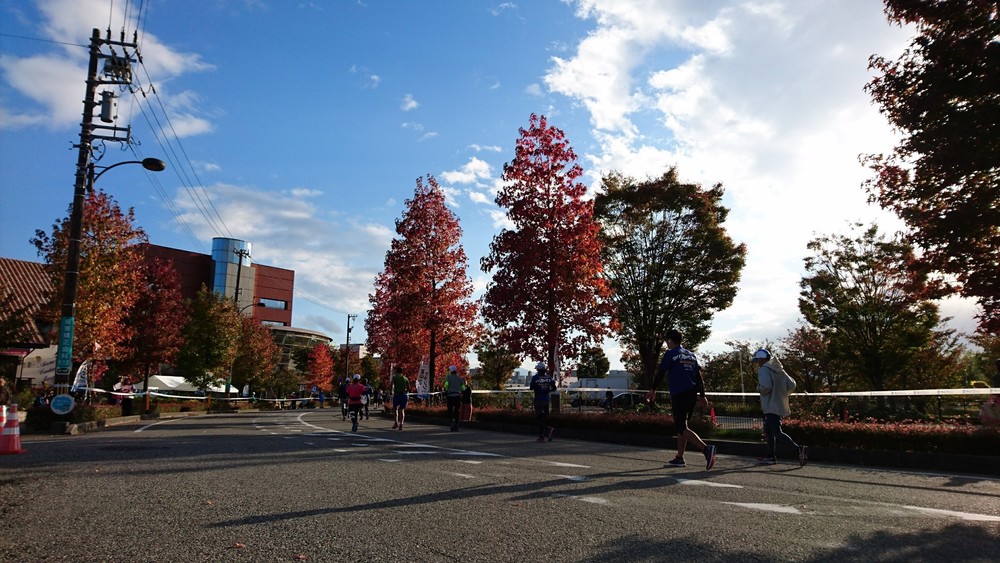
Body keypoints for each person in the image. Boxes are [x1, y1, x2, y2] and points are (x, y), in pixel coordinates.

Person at [647, 329, 716, 470]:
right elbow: (699, 376)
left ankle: (706, 449)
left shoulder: (671, 354)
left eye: (667, 340)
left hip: (679, 394)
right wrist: (702, 395)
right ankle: (680, 457)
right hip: (692, 394)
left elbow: (661, 372)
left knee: (681, 427)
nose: (666, 343)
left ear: (671, 341)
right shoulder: (691, 355)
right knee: (682, 426)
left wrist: (653, 388)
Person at [753, 348, 807, 466]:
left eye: (758, 360)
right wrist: (782, 394)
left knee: (776, 432)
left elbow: (766, 387)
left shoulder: (763, 370)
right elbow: (792, 384)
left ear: (762, 359)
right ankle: (771, 456)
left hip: (769, 406)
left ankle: (798, 449)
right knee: (769, 432)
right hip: (779, 404)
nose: (758, 363)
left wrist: (758, 388)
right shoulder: (779, 369)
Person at [529, 361, 556, 442]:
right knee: (544, 418)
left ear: (538, 370)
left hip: (538, 399)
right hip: (547, 399)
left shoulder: (535, 378)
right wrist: (547, 391)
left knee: (538, 418)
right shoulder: (549, 378)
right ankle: (542, 436)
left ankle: (548, 429)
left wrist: (538, 388)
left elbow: (531, 387)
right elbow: (554, 388)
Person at [444, 365, 465, 431]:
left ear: (450, 371)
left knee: (450, 411)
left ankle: (451, 423)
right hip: (457, 396)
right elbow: (463, 388)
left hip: (450, 396)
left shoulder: (448, 377)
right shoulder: (460, 378)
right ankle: (456, 423)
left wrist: (446, 389)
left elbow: (446, 385)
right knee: (457, 411)